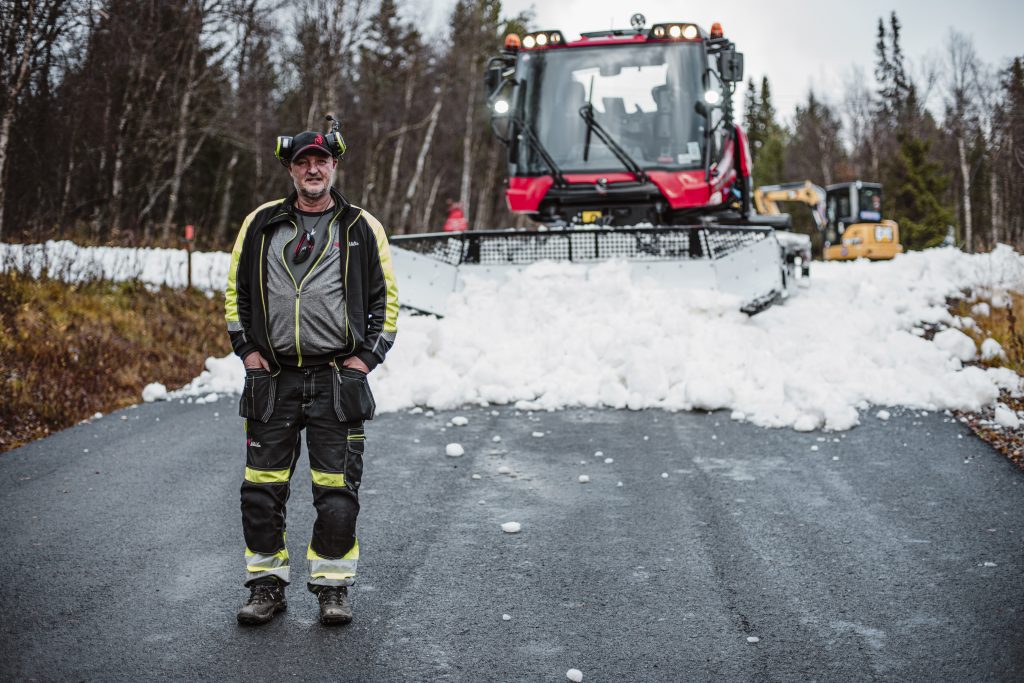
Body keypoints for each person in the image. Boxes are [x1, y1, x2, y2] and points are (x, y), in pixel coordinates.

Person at [224, 128, 398, 626]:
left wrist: (365, 360)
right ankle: (265, 587)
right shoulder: (259, 224)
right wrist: (247, 351)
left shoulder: (362, 227)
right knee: (260, 490)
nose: (313, 169)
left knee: (338, 492)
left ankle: (332, 589)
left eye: (321, 161)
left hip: (336, 382)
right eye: (304, 162)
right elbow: (234, 295)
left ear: (335, 166)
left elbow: (386, 304)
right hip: (272, 379)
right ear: (291, 169)